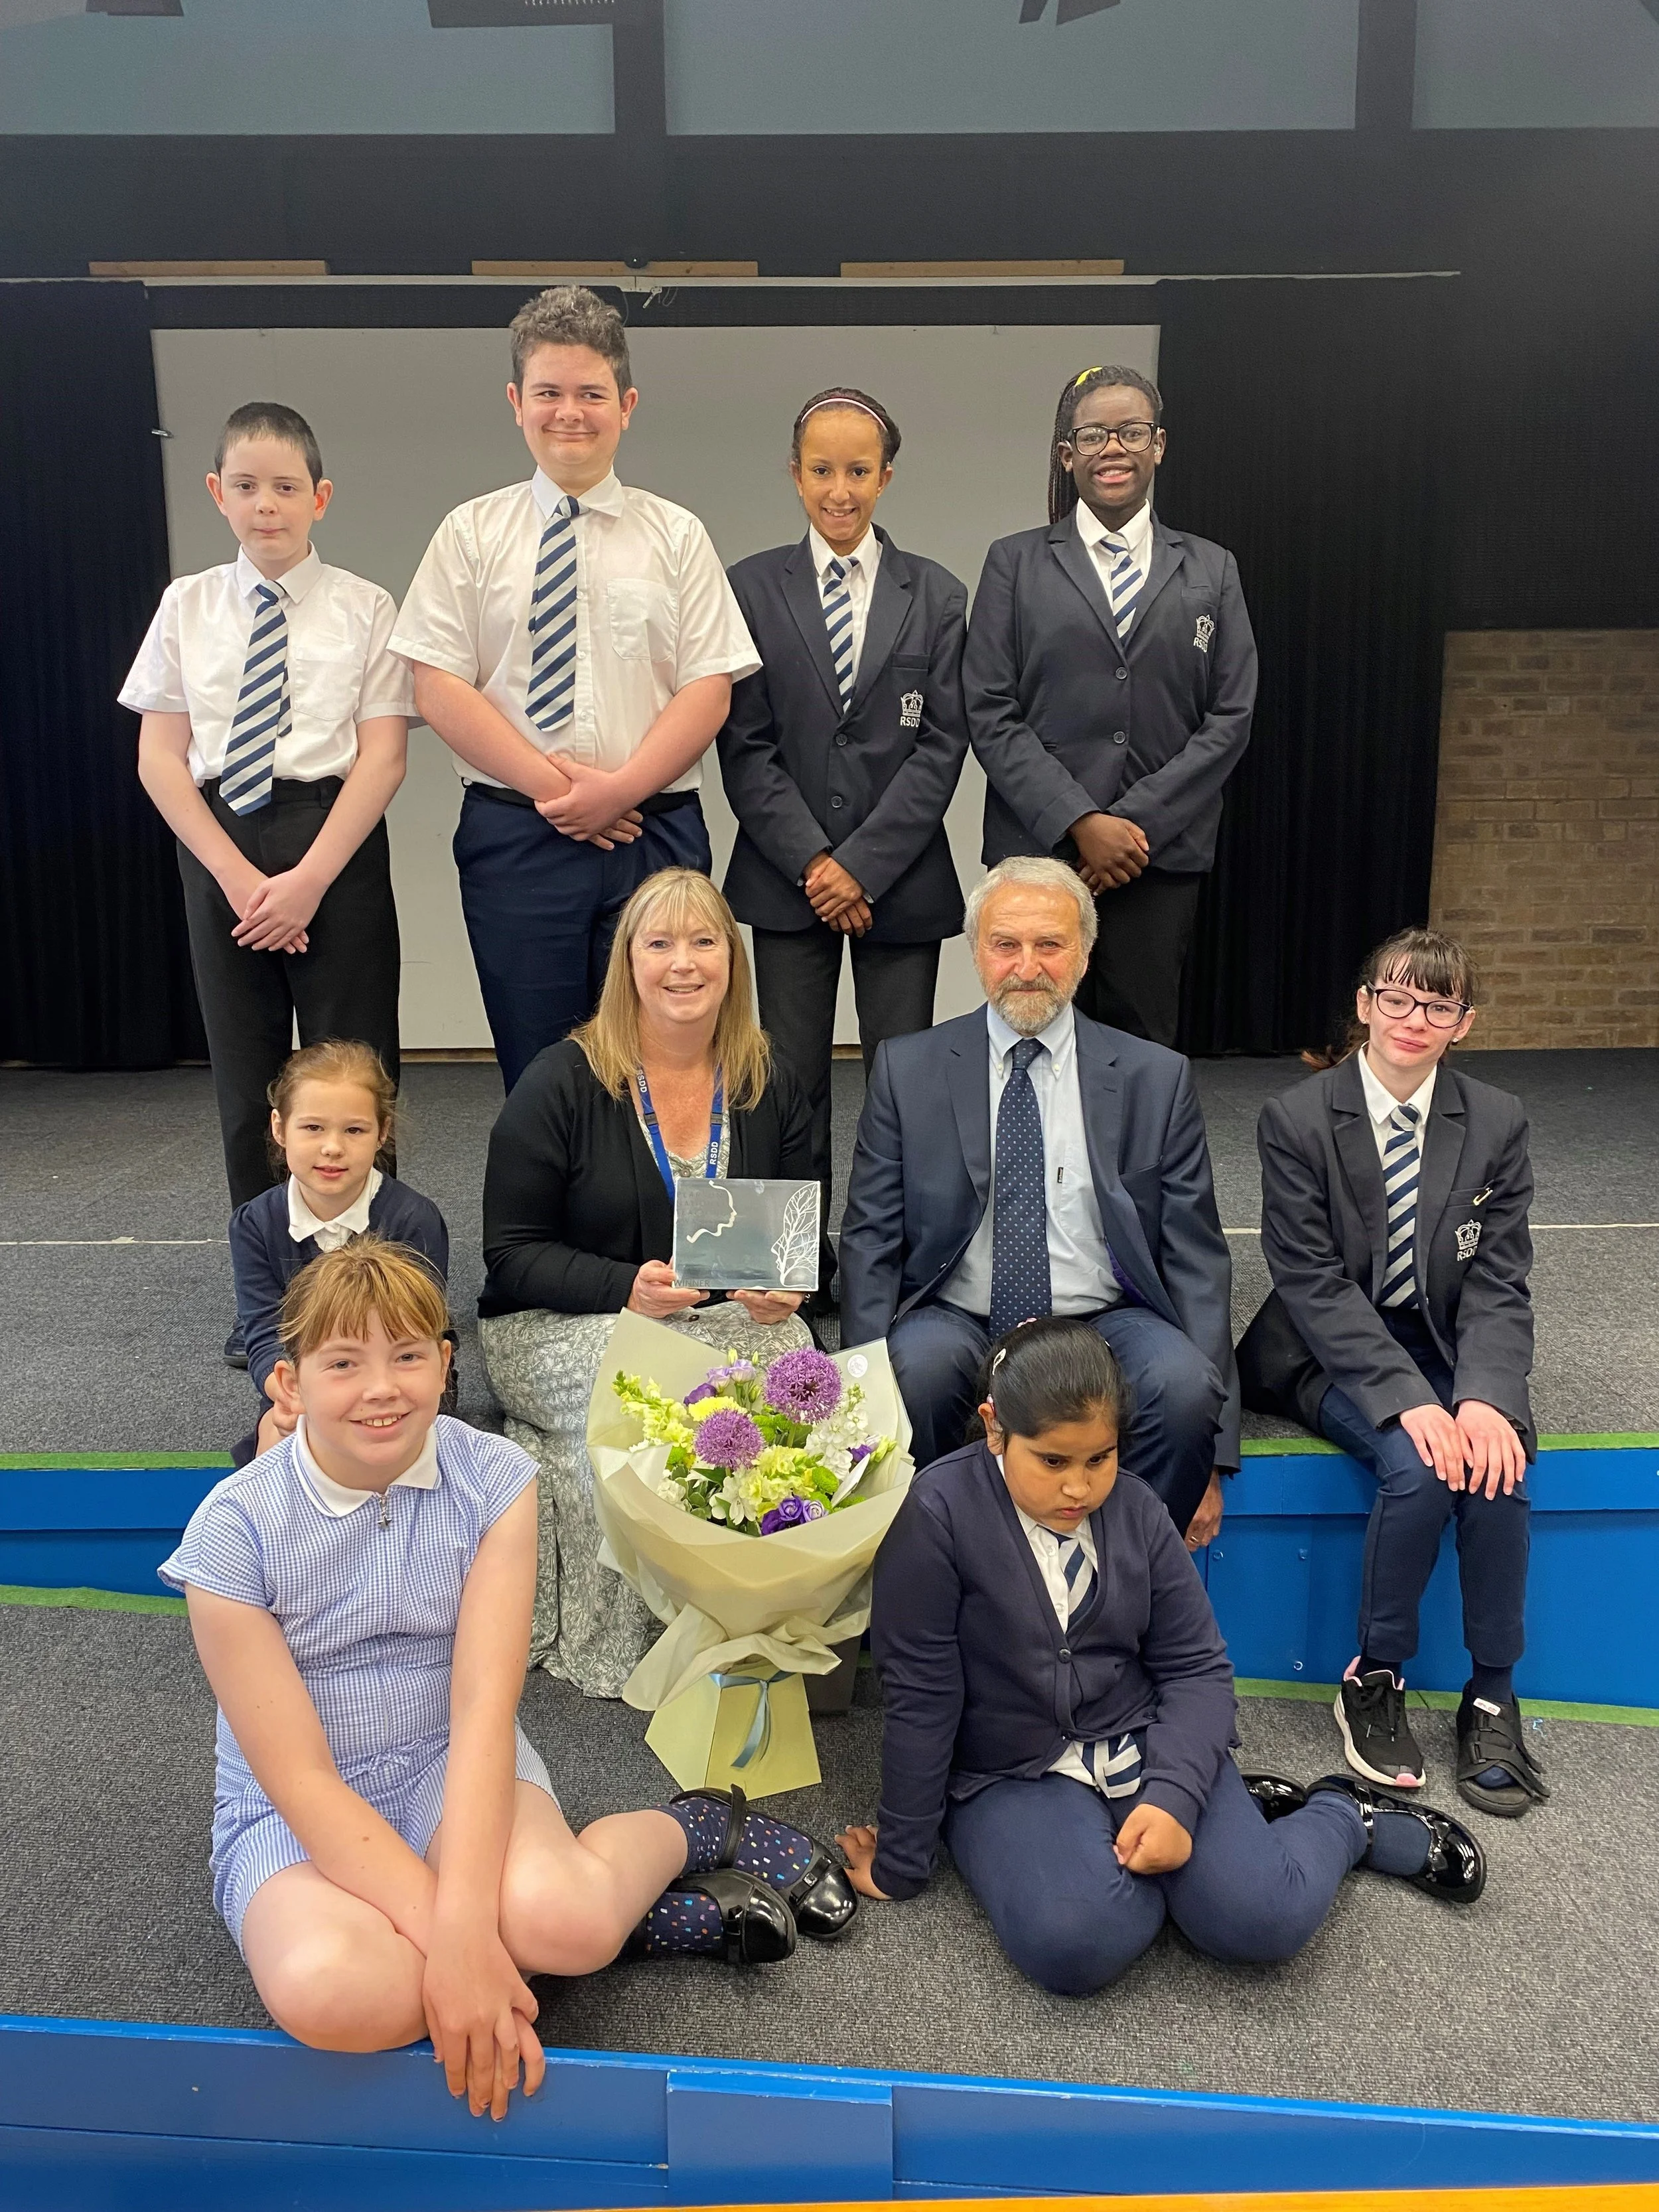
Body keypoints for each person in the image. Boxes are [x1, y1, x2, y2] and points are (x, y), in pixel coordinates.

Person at [160, 1239, 855, 2107]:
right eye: (344, 1362)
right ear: (290, 1384)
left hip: (452, 1769)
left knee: (568, 1920)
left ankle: (693, 1827)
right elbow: (298, 1779)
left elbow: (485, 1709)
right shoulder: (233, 1532)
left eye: (408, 1355)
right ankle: (605, 1933)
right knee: (334, 1994)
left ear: (446, 1365)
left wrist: (457, 1938)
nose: (382, 1387)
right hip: (293, 1813)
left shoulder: (492, 1480)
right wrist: (459, 1944)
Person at [834, 1319, 1484, 1994]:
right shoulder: (935, 1517)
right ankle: (1207, 1840)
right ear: (995, 1428)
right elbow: (922, 1697)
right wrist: (902, 1859)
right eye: (1052, 1461)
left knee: (1262, 1920)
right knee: (1075, 1945)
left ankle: (1345, 1818)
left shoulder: (1139, 1509)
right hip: (1007, 1771)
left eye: (1100, 1458)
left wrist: (1174, 1798)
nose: (1079, 1489)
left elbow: (1197, 1669)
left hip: (1137, 1736)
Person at [390, 285, 760, 1093]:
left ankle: (655, 1221)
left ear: (625, 405)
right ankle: (548, 1225)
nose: (570, 413)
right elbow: (437, 683)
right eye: (549, 393)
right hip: (518, 834)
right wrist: (560, 791)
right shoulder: (470, 533)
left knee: (670, 1060)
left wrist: (619, 789)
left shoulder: (677, 534)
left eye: (591, 394)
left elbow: (708, 687)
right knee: (539, 1068)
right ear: (516, 403)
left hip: (653, 833)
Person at [477, 868, 818, 1696]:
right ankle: (651, 1642)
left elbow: (810, 1243)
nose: (684, 964)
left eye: (705, 942)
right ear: (626, 963)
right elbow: (510, 1254)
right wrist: (620, 1288)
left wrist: (790, 1288)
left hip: (718, 1324)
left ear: (732, 961)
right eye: (659, 943)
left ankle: (751, 1624)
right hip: (560, 1323)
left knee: (801, 1376)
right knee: (660, 1386)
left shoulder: (770, 1081)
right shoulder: (560, 1081)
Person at [123, 400, 411, 1363]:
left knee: (360, 1071)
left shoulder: (367, 606)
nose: (266, 504)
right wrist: (242, 877)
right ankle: (270, 1305)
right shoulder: (186, 605)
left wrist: (306, 881)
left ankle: (378, 1291)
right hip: (222, 848)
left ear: (320, 497)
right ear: (217, 493)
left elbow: (381, 760)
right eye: (245, 486)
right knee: (250, 1090)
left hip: (333, 841)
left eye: (286, 487)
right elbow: (162, 759)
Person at [1237, 929, 1547, 1819]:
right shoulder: (1299, 1117)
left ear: (1464, 1022)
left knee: (1500, 1464)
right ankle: (1373, 1675)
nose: (1416, 1018)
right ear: (1366, 1004)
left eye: (1439, 1004)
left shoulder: (1495, 1119)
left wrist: (1483, 1395)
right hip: (1330, 1348)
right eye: (1399, 998)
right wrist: (1411, 1402)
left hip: (1449, 1345)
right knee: (1417, 1470)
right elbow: (1312, 1282)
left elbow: (1500, 1278)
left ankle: (1493, 1691)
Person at [838, 856, 1237, 1544]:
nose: (1027, 965)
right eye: (1005, 945)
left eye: (1049, 945)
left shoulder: (1153, 1077)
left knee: (1181, 1386)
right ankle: (948, 1570)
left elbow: (1196, 1258)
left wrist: (1215, 1456)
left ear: (1084, 951)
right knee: (917, 1372)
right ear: (975, 953)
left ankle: (1117, 1586)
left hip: (1104, 1316)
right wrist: (858, 1400)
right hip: (958, 1312)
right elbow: (871, 1239)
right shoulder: (908, 1069)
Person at [717, 386, 968, 1207]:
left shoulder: (935, 595)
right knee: (787, 1082)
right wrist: (816, 862)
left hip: (899, 881)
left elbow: (941, 746)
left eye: (858, 470)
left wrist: (859, 866)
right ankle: (791, 1274)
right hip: (789, 882)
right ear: (794, 475)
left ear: (886, 477)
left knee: (904, 1084)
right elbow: (745, 745)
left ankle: (892, 1258)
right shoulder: (750, 588)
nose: (839, 489)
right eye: (821, 469)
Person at [964, 364, 1256, 1048]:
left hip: (1156, 854)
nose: (1113, 448)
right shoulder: (1013, 564)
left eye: (1131, 431)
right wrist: (1079, 821)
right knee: (1028, 1037)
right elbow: (988, 707)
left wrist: (1128, 826)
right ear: (1067, 456)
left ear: (1159, 445)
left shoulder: (1211, 570)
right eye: (1094, 434)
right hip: (1038, 850)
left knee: (1141, 1047)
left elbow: (1230, 716)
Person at [228, 1038, 450, 1465]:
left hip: (397, 1381)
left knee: (381, 1452)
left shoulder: (413, 1220)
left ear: (382, 1132)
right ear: (280, 1128)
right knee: (277, 1441)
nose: (333, 1147)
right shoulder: (255, 1223)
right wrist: (290, 1395)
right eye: (313, 1128)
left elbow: (414, 1335)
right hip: (305, 1381)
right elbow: (262, 1331)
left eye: (354, 1130)